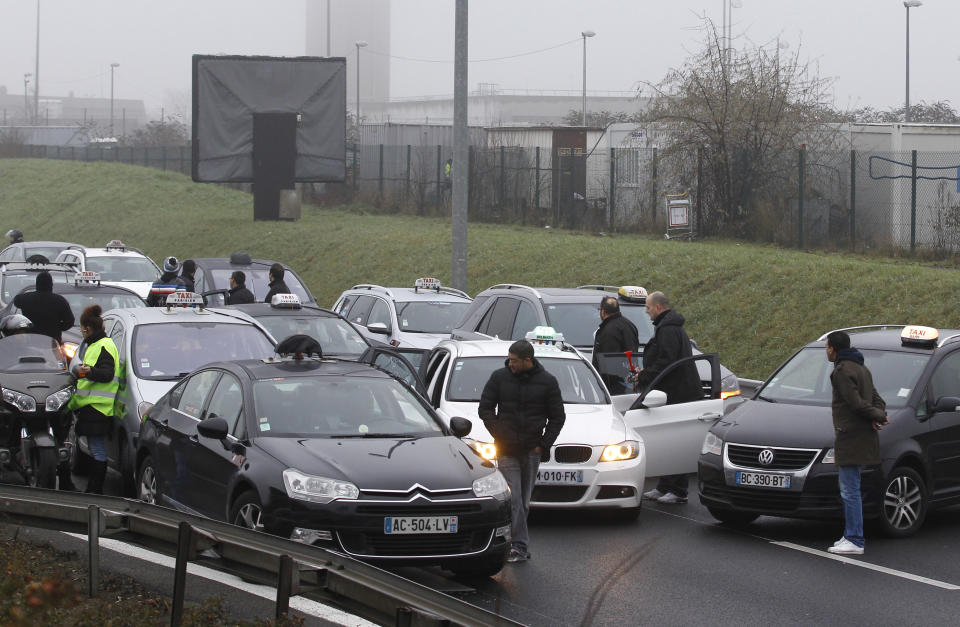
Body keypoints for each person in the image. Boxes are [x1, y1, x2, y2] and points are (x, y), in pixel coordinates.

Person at [478, 339, 565, 563]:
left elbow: (557, 417)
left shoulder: (548, 382)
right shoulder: (499, 377)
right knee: (514, 499)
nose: (510, 364)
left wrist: (543, 444)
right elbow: (485, 408)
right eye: (509, 360)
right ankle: (518, 546)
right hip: (506, 449)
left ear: (528, 360)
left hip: (531, 450)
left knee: (524, 502)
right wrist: (499, 433)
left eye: (515, 361)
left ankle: (515, 543)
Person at [634, 291, 702, 504]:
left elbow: (666, 362)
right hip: (671, 392)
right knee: (666, 441)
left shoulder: (668, 330)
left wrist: (644, 376)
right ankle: (665, 486)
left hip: (678, 394)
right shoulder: (667, 328)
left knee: (675, 442)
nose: (646, 311)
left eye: (648, 307)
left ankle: (679, 490)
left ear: (659, 307)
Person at [825, 330, 888, 555]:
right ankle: (852, 534)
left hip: (850, 437)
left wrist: (878, 417)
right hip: (863, 437)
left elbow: (856, 404)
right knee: (853, 487)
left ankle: (855, 539)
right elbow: (877, 400)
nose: (827, 351)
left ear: (833, 349)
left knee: (849, 490)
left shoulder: (841, 372)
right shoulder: (862, 368)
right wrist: (878, 414)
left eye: (827, 347)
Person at [67, 305, 121, 495]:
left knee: (97, 449)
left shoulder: (103, 346)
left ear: (88, 328)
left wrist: (90, 372)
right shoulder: (96, 345)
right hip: (92, 406)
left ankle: (95, 490)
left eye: (81, 329)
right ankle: (93, 488)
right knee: (93, 447)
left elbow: (107, 374)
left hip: (98, 407)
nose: (81, 332)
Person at [592, 296, 640, 394]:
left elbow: (607, 362)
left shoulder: (607, 330)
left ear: (603, 312)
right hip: (630, 379)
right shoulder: (630, 325)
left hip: (612, 385)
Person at [14, 271, 74, 343]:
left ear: (37, 284)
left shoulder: (25, 298)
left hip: (31, 340)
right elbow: (69, 321)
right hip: (52, 342)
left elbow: (16, 301)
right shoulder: (60, 301)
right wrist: (56, 327)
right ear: (51, 284)